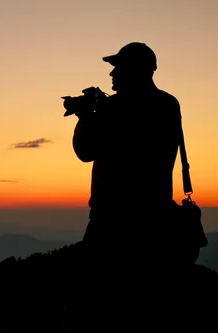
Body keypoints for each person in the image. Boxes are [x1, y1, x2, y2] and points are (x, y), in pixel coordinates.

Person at [73, 42, 183, 273]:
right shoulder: (168, 104)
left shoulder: (116, 108)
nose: (112, 73)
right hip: (156, 222)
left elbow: (85, 151)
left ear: (135, 69)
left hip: (112, 224)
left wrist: (85, 117)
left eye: (118, 67)